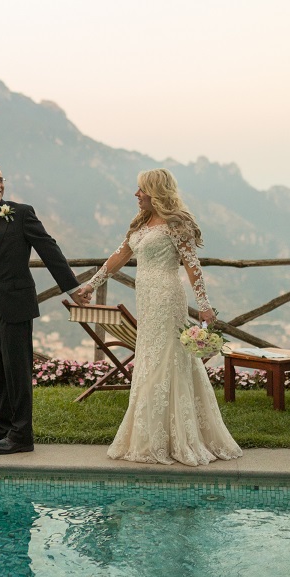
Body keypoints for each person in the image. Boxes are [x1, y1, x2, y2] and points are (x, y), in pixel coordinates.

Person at [75, 168, 242, 466]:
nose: (136, 194)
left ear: (156, 191)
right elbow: (117, 258)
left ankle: (174, 438)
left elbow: (192, 265)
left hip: (167, 297)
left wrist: (203, 304)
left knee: (167, 360)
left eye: (141, 189)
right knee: (150, 359)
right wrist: (90, 284)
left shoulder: (177, 223)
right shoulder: (140, 224)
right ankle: (151, 435)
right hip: (146, 300)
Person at [0, 162, 88, 455]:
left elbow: (49, 250)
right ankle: (0, 429)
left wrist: (73, 289)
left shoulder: (21, 213)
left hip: (17, 302)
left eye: (1, 180)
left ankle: (21, 435)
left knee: (17, 369)